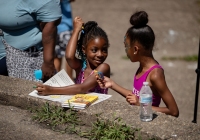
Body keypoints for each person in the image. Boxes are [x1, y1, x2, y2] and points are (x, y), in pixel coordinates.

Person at [96, 11, 179, 117]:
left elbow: (173, 111)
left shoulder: (155, 74)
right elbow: (136, 96)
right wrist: (112, 84)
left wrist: (141, 104)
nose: (125, 50)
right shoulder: (142, 67)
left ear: (135, 49)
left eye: (126, 46)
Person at [36, 16, 110, 95]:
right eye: (94, 50)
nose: (100, 54)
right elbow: (69, 57)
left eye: (104, 50)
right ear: (84, 49)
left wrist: (51, 90)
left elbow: (82, 88)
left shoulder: (104, 68)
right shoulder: (81, 67)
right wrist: (76, 31)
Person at [0, 0, 61, 82]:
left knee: (28, 90)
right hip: (4, 51)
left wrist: (48, 62)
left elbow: (50, 24)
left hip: (27, 57)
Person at [54, 0, 75, 79]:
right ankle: (67, 80)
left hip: (55, 27)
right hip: (64, 28)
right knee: (69, 55)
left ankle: (60, 80)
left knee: (58, 56)